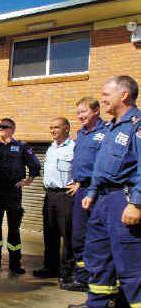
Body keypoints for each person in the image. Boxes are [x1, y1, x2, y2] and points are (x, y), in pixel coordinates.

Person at [69, 76, 140, 308]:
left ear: (124, 95)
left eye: (106, 95)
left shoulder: (137, 126)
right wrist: (91, 192)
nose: (103, 100)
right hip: (101, 200)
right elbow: (101, 166)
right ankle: (97, 304)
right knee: (99, 258)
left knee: (130, 266)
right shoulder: (110, 128)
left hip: (124, 200)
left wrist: (137, 203)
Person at [0, 118, 41, 274]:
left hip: (13, 194)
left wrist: (27, 181)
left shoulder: (22, 147)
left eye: (5, 127)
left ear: (13, 129)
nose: (2, 129)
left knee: (13, 229)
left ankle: (15, 263)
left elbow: (35, 165)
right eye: (0, 127)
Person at [61, 97, 108, 292]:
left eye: (84, 112)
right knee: (78, 238)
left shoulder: (107, 132)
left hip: (99, 191)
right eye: (78, 113)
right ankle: (82, 278)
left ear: (96, 110)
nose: (80, 116)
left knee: (98, 239)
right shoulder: (81, 134)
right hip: (81, 190)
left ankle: (101, 280)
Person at [34, 117, 75, 283]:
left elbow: (85, 167)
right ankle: (50, 268)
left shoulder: (74, 147)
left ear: (66, 128)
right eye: (51, 127)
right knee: (49, 233)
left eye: (56, 127)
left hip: (66, 196)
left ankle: (67, 272)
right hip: (49, 195)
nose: (52, 130)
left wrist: (79, 184)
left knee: (67, 234)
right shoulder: (51, 148)